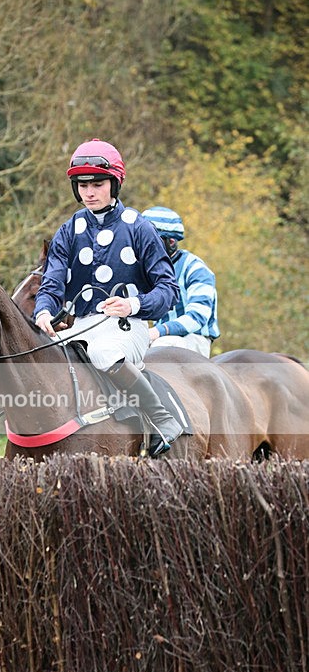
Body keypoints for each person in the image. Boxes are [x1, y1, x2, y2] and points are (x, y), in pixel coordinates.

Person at [34, 138, 184, 456]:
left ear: (113, 184)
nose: (89, 192)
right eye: (82, 184)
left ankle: (162, 419)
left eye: (98, 183)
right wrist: (44, 312)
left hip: (127, 327)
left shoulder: (140, 228)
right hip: (80, 326)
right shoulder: (68, 230)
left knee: (102, 352)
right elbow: (51, 284)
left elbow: (168, 291)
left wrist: (133, 304)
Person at [141, 206, 220, 358]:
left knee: (161, 348)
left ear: (171, 242)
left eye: (150, 241)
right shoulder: (145, 270)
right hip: (157, 338)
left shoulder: (195, 269)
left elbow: (197, 317)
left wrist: (158, 331)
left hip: (193, 339)